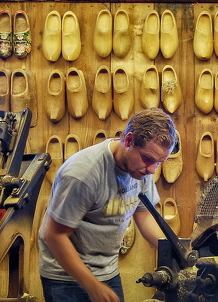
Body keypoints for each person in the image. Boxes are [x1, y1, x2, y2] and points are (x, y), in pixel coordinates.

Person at [38, 107, 178, 302]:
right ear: (129, 141)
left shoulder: (141, 169)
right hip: (66, 277)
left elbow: (144, 215)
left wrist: (177, 252)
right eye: (148, 159)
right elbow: (54, 236)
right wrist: (92, 285)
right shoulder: (83, 174)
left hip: (107, 272)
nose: (152, 170)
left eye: (159, 163)